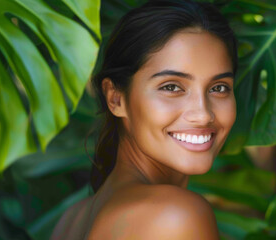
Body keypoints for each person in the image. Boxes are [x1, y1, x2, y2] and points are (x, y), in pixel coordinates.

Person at [51, 0, 238, 239]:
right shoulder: (175, 216)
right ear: (116, 98)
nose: (203, 114)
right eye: (171, 87)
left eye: (219, 88)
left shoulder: (74, 217)